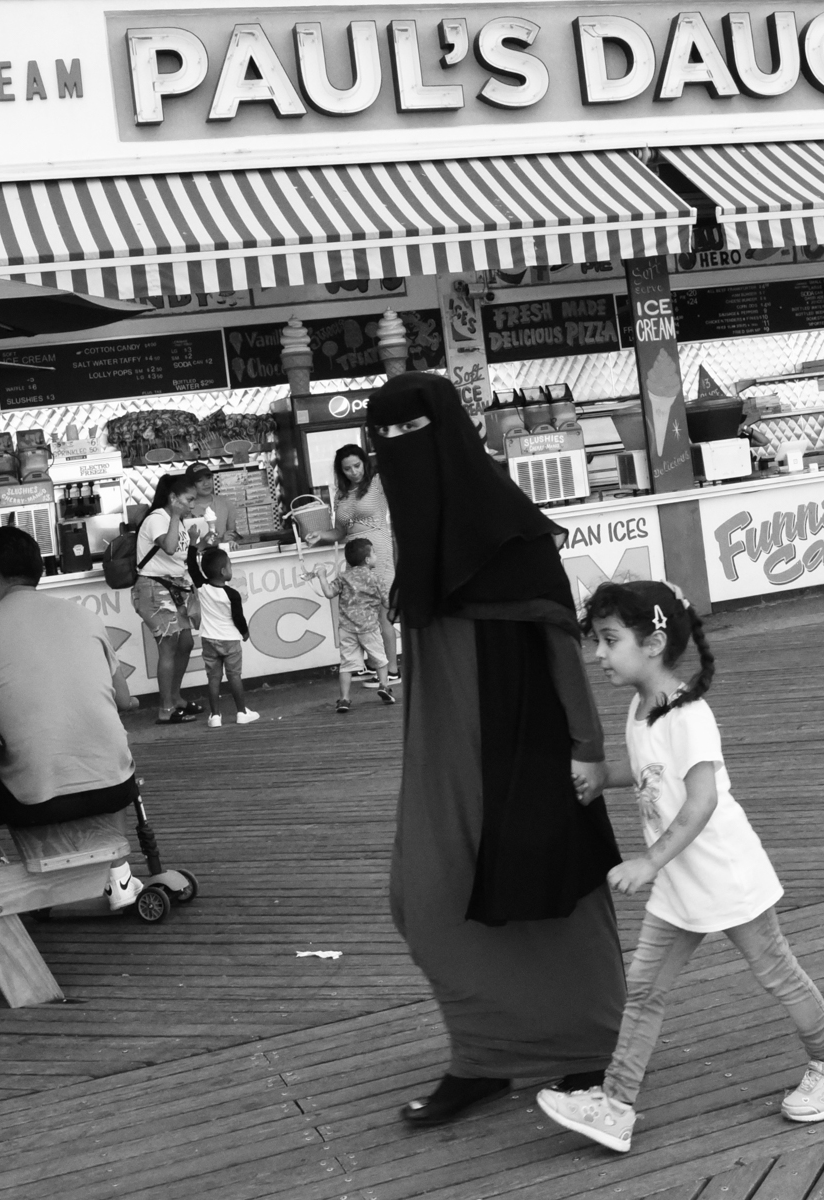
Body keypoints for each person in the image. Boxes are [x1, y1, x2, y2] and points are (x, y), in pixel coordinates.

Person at [368, 371, 626, 1126]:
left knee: (551, 900)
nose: (396, 453)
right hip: (440, 755)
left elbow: (558, 653)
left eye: (409, 434)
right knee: (424, 901)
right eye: (383, 440)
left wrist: (587, 747)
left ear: (444, 432)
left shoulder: (512, 531)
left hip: (527, 744)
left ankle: (582, 1048)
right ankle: (482, 1055)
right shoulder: (418, 542)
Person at [536, 581, 824, 1154]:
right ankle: (614, 1105)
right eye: (597, 640)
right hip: (680, 884)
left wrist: (648, 862)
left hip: (724, 872)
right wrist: (603, 776)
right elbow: (651, 772)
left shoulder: (689, 714)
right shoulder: (642, 709)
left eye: (609, 640)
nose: (598, 654)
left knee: (777, 973)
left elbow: (701, 801)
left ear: (655, 642)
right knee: (643, 991)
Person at [0, 526, 143, 954]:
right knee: (97, 751)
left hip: (36, 799)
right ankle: (119, 873)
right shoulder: (85, 616)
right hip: (116, 789)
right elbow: (124, 700)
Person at [312, 444, 400, 682]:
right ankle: (375, 665)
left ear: (365, 462)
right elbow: (341, 531)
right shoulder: (341, 494)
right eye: (347, 468)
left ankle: (392, 670)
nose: (354, 472)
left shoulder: (378, 483)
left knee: (382, 615)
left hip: (376, 553)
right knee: (362, 615)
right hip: (353, 557)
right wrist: (320, 534)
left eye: (357, 465)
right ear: (341, 471)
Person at [133, 473, 201, 724]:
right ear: (173, 497)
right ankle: (165, 709)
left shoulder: (175, 520)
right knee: (169, 646)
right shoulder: (157, 519)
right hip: (154, 589)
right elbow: (170, 547)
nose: (192, 505)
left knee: (185, 644)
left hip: (173, 588)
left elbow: (178, 556)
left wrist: (196, 543)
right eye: (188, 499)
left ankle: (175, 697)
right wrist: (174, 515)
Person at [304, 537, 395, 713]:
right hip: (369, 627)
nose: (376, 556)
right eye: (374, 553)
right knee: (380, 660)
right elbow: (388, 603)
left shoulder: (343, 577)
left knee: (346, 665)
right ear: (368, 560)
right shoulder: (376, 579)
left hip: (346, 628)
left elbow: (329, 593)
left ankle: (344, 698)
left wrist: (322, 576)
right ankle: (384, 686)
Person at [190, 546, 260, 728]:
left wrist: (192, 543)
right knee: (234, 676)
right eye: (229, 565)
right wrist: (245, 633)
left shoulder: (202, 587)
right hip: (230, 640)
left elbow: (191, 567)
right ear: (223, 572)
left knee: (213, 678)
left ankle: (214, 716)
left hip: (208, 639)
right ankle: (242, 712)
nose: (231, 568)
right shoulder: (233, 595)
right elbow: (238, 618)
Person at [185, 462, 239, 547]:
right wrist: (220, 540)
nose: (206, 483)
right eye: (199, 480)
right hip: (197, 555)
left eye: (208, 478)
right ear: (191, 484)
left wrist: (230, 539)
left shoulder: (225, 502)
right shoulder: (186, 507)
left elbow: (232, 532)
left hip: (222, 555)